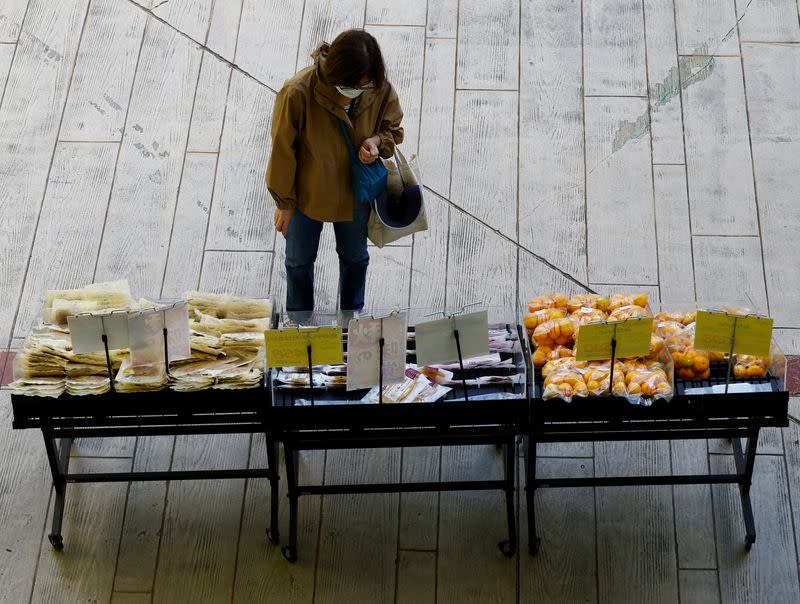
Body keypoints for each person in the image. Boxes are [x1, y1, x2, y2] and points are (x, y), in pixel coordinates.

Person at [267, 29, 404, 320]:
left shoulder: (377, 87)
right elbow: (282, 151)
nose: (360, 90)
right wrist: (284, 203)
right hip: (307, 195)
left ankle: (352, 321)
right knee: (298, 262)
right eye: (354, 86)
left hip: (355, 193)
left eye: (366, 86)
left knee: (356, 260)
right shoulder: (298, 92)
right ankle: (300, 323)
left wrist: (376, 143)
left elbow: (393, 130)